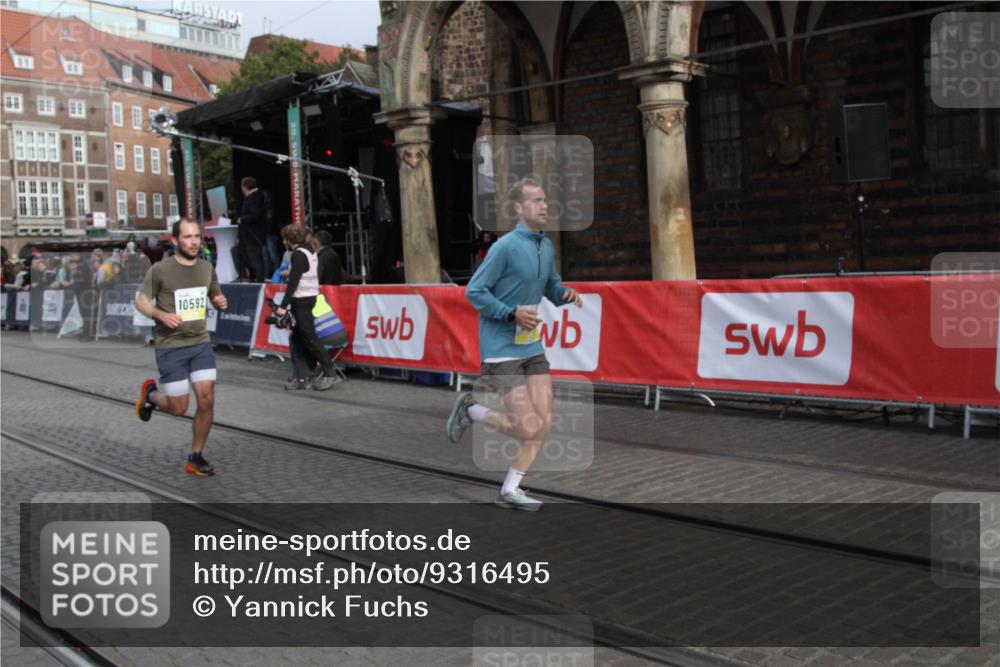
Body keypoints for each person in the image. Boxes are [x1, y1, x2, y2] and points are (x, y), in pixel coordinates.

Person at [447, 177, 581, 512]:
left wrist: (565, 294)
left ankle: (510, 490)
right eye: (536, 200)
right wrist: (510, 315)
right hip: (501, 347)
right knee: (528, 425)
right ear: (519, 208)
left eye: (545, 199)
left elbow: (550, 286)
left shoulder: (545, 246)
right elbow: (475, 291)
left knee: (543, 423)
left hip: (531, 346)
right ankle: (471, 411)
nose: (545, 205)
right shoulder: (504, 247)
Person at [133, 218, 229, 477]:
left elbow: (215, 295)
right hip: (171, 346)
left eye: (197, 236)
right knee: (178, 408)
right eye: (187, 237)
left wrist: (220, 301)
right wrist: (160, 315)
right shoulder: (161, 270)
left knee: (207, 399)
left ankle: (195, 456)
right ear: (175, 240)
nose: (194, 241)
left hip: (199, 343)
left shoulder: (207, 268)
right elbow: (140, 301)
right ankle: (150, 395)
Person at [274, 224, 337, 391]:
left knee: (309, 338)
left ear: (289, 240)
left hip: (302, 300)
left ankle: (330, 373)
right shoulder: (310, 251)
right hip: (309, 298)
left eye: (284, 239)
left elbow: (293, 282)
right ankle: (302, 377)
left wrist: (282, 306)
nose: (283, 242)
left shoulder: (298, 255)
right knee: (298, 339)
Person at [236, 176, 267, 282]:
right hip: (250, 236)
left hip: (253, 235)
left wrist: (242, 219)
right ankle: (252, 278)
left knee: (255, 259)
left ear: (245, 186)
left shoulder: (254, 198)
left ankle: (259, 280)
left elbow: (255, 215)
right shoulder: (254, 197)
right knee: (249, 257)